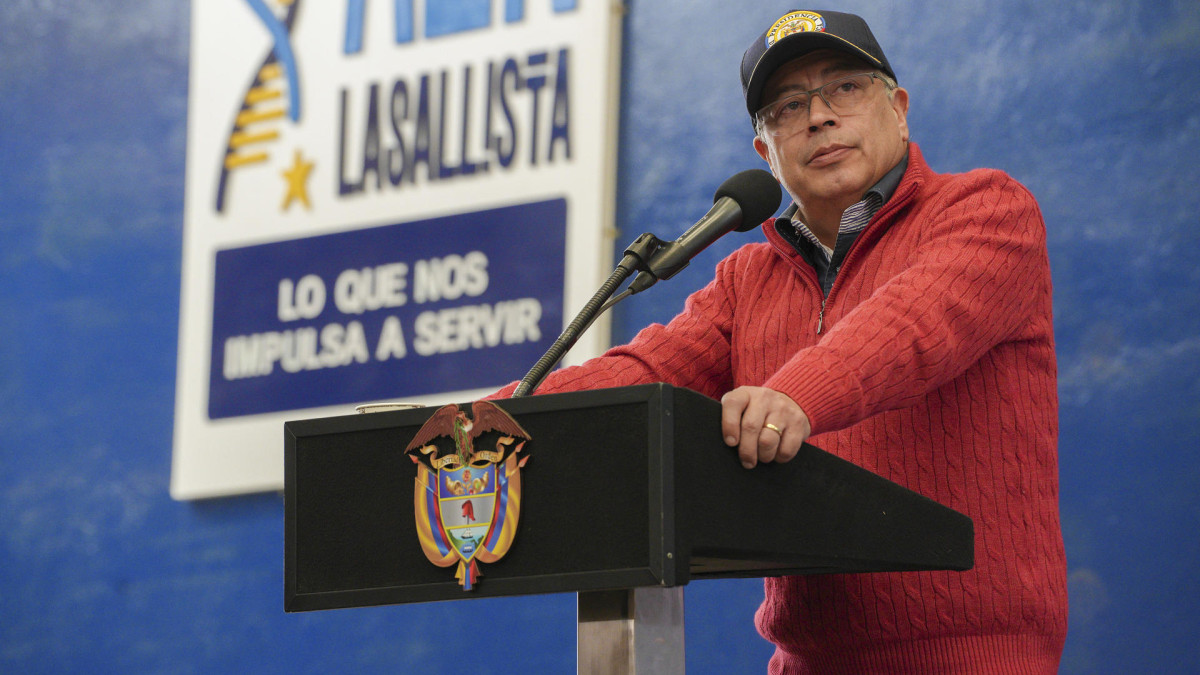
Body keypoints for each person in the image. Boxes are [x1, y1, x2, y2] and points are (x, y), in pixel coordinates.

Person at [495, 9, 1067, 673]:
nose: (818, 116)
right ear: (765, 153)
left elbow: (912, 323)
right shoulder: (747, 279)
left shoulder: (988, 209)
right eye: (788, 107)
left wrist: (793, 394)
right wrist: (477, 421)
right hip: (803, 660)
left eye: (844, 87)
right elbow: (647, 369)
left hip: (973, 656)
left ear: (899, 109)